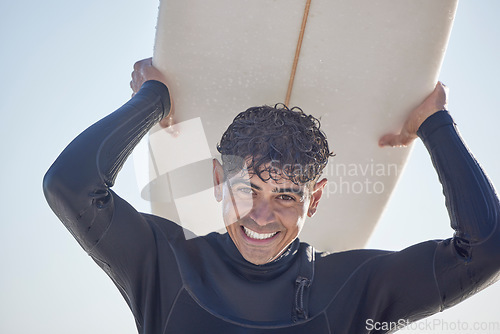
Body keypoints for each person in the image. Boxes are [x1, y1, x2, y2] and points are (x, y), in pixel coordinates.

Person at [43, 58, 500, 333]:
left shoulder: (356, 289)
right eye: (247, 189)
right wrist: (152, 100)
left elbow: (485, 251)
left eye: (285, 196)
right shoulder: (164, 264)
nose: (261, 217)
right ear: (219, 181)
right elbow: (69, 185)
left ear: (314, 199)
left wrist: (436, 125)